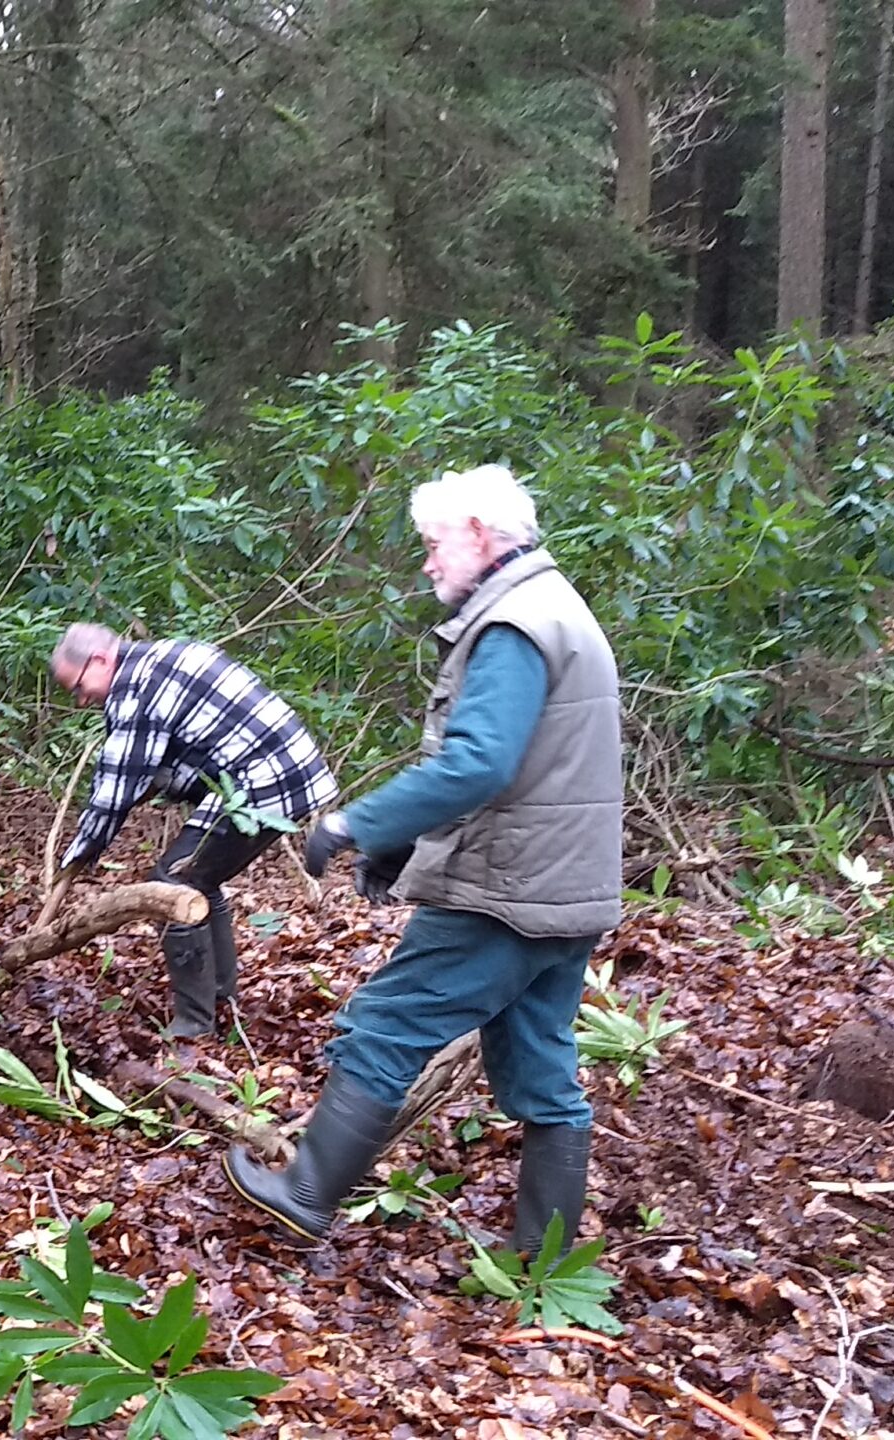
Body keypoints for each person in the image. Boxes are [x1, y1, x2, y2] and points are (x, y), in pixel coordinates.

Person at [226, 464, 622, 1255]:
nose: (429, 562)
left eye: (435, 543)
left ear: (480, 534)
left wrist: (356, 825)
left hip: (508, 892)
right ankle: (544, 1266)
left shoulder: (515, 625)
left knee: (385, 1024)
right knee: (542, 1074)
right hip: (567, 890)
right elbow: (524, 762)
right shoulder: (557, 608)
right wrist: (406, 844)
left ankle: (306, 1196)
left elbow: (479, 764)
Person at [51, 626, 337, 1039]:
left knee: (172, 885)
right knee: (201, 880)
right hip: (283, 772)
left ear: (99, 660)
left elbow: (115, 787)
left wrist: (80, 853)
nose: (81, 699)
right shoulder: (163, 658)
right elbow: (173, 757)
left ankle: (193, 1024)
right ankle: (221, 1000)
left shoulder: (135, 684)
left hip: (263, 780)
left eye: (78, 687)